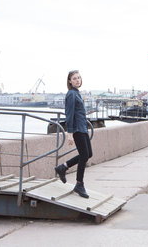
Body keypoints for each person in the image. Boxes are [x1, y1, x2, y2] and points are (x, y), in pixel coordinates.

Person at [54, 70, 93, 198]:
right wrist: (69, 133)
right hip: (76, 129)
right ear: (70, 81)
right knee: (84, 155)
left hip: (83, 128)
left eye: (79, 78)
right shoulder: (71, 94)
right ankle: (79, 184)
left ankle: (63, 167)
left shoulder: (77, 93)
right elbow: (69, 114)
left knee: (88, 154)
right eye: (74, 78)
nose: (77, 80)